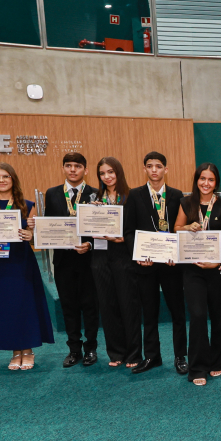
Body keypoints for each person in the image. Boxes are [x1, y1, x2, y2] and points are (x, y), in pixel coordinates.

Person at [0, 163, 53, 371]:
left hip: (19, 260)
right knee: (2, 305)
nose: (1, 180)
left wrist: (32, 235)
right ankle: (14, 351)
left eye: (5, 176)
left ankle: (27, 350)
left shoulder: (26, 204)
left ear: (13, 179)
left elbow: (35, 236)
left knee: (22, 303)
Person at [124, 151, 187, 375]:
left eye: (158, 166)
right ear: (144, 169)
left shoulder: (178, 196)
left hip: (171, 265)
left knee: (177, 312)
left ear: (165, 170)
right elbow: (128, 231)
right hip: (146, 265)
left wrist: (177, 253)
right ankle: (152, 356)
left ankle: (181, 356)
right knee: (149, 312)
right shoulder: (134, 195)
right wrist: (138, 254)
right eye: (149, 166)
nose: (154, 170)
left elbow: (181, 230)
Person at [175, 163, 221, 386]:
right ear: (196, 179)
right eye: (202, 178)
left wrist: (217, 261)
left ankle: (218, 361)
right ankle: (198, 366)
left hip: (216, 270)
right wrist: (186, 227)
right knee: (198, 316)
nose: (206, 183)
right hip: (192, 270)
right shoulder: (186, 203)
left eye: (211, 180)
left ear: (216, 183)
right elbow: (176, 229)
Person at [35, 152, 99, 368]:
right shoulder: (52, 194)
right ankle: (74, 349)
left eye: (78, 166)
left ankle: (91, 348)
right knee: (68, 307)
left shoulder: (95, 194)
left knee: (90, 306)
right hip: (63, 260)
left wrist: (89, 244)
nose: (73, 170)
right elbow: (50, 225)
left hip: (89, 260)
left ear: (85, 170)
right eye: (69, 165)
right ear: (63, 168)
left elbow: (99, 228)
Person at [91, 157, 142, 368]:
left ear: (118, 172)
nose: (107, 177)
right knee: (107, 304)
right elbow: (86, 230)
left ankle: (134, 354)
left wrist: (124, 238)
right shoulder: (94, 199)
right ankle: (116, 352)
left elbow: (138, 227)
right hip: (100, 257)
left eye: (110, 172)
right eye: (102, 173)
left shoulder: (132, 196)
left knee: (128, 305)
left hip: (124, 255)